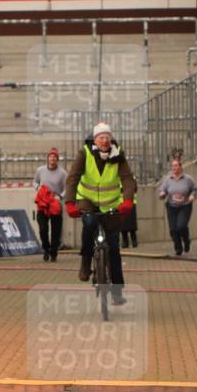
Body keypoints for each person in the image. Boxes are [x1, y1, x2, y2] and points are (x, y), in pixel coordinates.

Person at [64, 122, 136, 306]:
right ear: (95, 139)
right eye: (101, 137)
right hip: (88, 200)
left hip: (111, 205)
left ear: (111, 139)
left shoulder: (118, 154)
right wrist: (70, 203)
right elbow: (73, 177)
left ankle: (117, 292)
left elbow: (127, 178)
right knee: (88, 224)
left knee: (114, 248)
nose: (104, 141)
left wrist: (127, 200)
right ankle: (86, 261)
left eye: (107, 137)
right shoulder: (85, 153)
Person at [158, 158, 197, 256]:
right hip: (171, 207)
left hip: (185, 206)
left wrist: (193, 195)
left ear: (180, 167)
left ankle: (187, 241)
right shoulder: (168, 179)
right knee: (173, 230)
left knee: (181, 226)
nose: (174, 168)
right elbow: (162, 190)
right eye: (172, 166)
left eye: (176, 165)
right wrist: (162, 194)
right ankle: (178, 248)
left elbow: (194, 189)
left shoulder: (188, 179)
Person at [33, 147, 67, 262]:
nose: (52, 159)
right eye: (51, 156)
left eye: (55, 157)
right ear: (48, 158)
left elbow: (66, 188)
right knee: (43, 228)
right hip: (42, 203)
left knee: (56, 230)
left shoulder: (62, 173)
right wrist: (37, 188)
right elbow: (35, 181)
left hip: (55, 203)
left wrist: (60, 196)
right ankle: (46, 249)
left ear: (57, 160)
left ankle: (54, 252)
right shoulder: (40, 170)